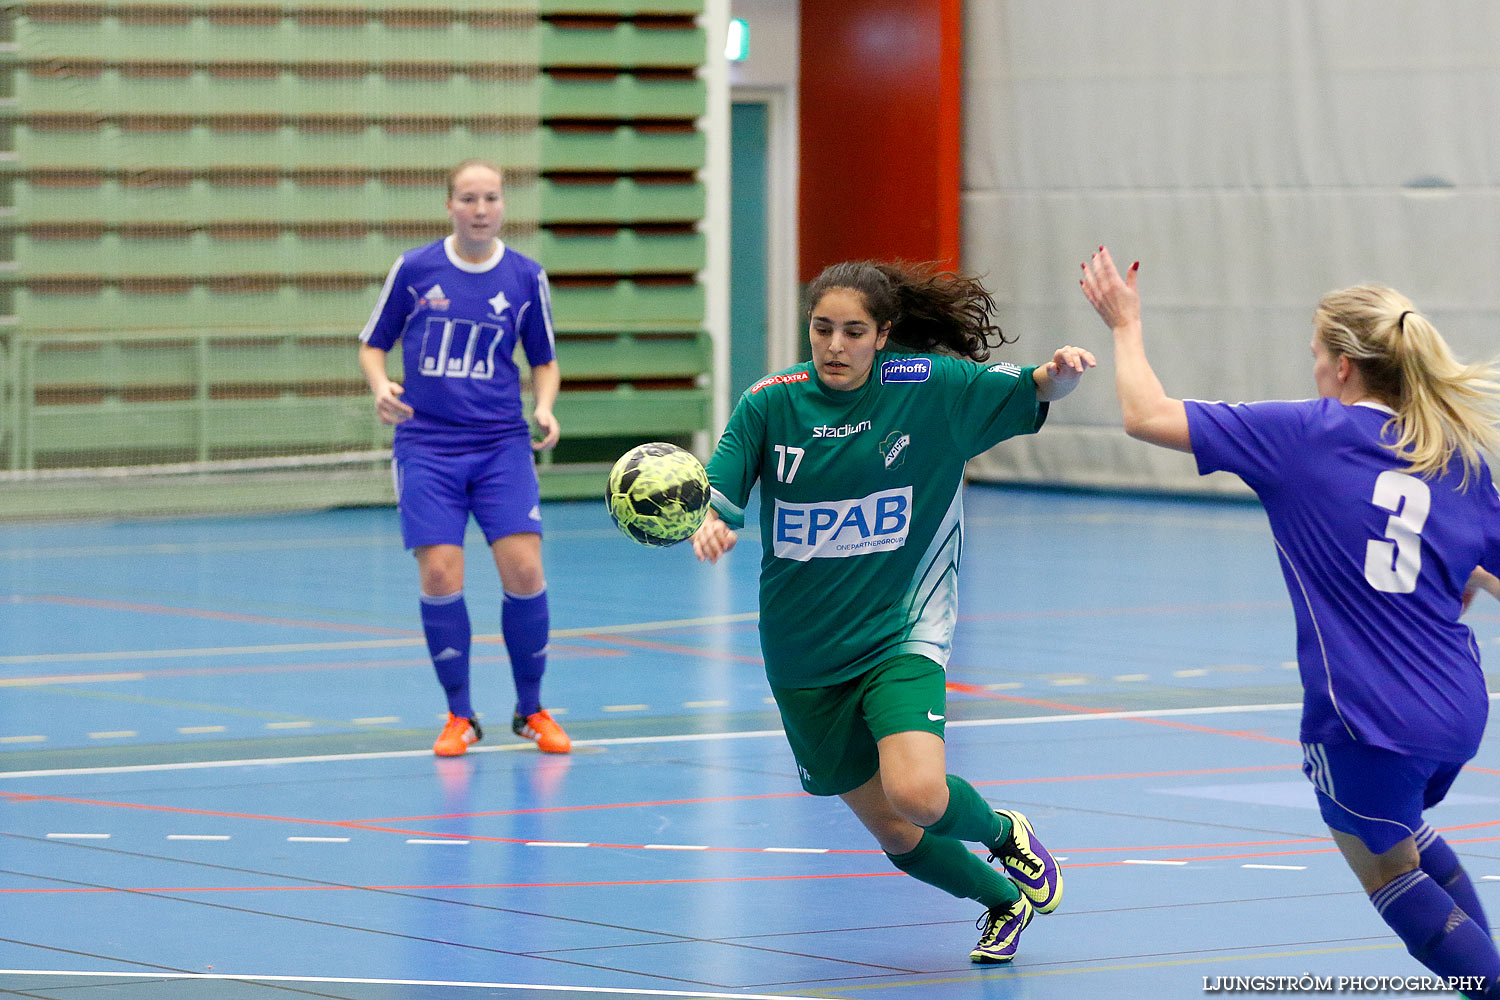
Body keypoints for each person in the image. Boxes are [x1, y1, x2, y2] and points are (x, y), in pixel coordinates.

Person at [1081, 246, 1500, 994]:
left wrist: (1124, 323)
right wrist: (1454, 567)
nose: (1312, 372)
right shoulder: (1458, 457)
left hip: (1370, 718)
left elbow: (1145, 415)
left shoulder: (1305, 434)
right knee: (1402, 831)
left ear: (1343, 367)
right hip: (1460, 710)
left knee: (1386, 873)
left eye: (1315, 356)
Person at [692, 259, 1095, 964]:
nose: (835, 345)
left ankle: (1006, 835)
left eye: (853, 331)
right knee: (895, 833)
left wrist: (1063, 372)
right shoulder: (769, 403)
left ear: (883, 336)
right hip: (802, 655)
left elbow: (1036, 386)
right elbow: (718, 496)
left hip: (900, 633)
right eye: (822, 329)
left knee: (917, 793)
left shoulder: (929, 388)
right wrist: (708, 523)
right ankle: (1001, 902)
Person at [358, 158, 569, 757]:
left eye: (492, 198)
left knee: (524, 569)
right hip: (427, 445)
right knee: (441, 572)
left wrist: (545, 407)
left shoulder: (527, 278)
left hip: (502, 445)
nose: (481, 209)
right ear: (450, 205)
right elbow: (374, 345)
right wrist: (380, 387)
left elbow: (544, 360)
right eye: (469, 198)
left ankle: (531, 709)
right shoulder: (416, 269)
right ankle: (459, 715)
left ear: (504, 206)